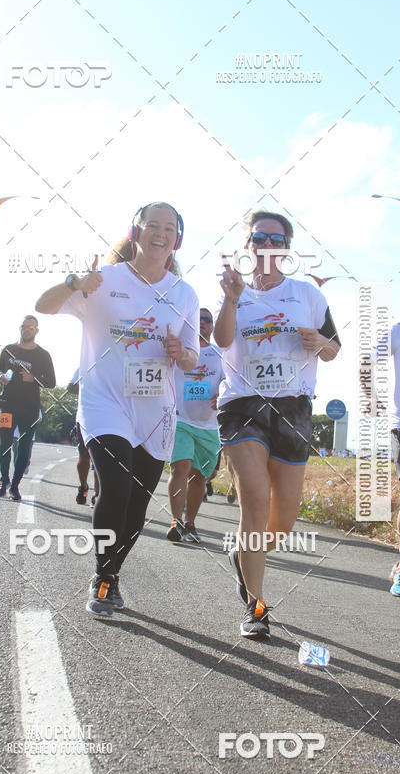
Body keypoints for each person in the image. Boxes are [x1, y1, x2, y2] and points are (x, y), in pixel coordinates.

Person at [36, 202, 199, 617]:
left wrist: (181, 353)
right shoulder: (103, 280)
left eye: (168, 228)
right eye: (151, 226)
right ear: (135, 232)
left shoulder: (184, 293)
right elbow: (44, 305)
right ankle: (103, 576)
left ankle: (113, 571)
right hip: (104, 401)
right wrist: (75, 281)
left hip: (154, 410)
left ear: (176, 239)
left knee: (137, 506)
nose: (159, 234)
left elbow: (192, 360)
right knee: (116, 487)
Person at [214, 210, 340, 640]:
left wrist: (321, 343)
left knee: (282, 522)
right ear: (247, 245)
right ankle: (256, 605)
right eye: (258, 238)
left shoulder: (307, 294)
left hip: (293, 408)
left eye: (275, 238)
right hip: (242, 405)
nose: (266, 245)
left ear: (286, 246)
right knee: (255, 498)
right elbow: (223, 340)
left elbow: (333, 349)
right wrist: (231, 300)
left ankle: (243, 557)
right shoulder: (235, 291)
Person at [166, 307, 224, 543]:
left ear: (212, 326)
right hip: (180, 419)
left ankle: (190, 522)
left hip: (209, 426)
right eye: (197, 319)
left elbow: (228, 382)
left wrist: (221, 394)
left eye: (207, 320)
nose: (201, 323)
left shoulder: (221, 355)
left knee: (200, 477)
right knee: (180, 467)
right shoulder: (179, 351)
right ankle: (176, 522)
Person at [0, 316, 56, 500]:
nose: (27, 330)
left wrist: (34, 378)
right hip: (6, 404)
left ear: (36, 331)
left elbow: (51, 382)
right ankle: (3, 480)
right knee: (4, 445)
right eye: (24, 326)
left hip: (29, 408)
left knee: (23, 448)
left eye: (31, 327)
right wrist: (1, 377)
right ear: (20, 328)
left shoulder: (43, 355)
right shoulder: (8, 349)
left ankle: (15, 485)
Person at [67, 368, 100, 504]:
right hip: (85, 417)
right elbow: (70, 387)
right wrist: (89, 388)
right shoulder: (85, 364)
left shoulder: (116, 362)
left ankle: (98, 494)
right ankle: (83, 487)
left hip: (108, 418)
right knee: (84, 455)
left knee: (100, 458)